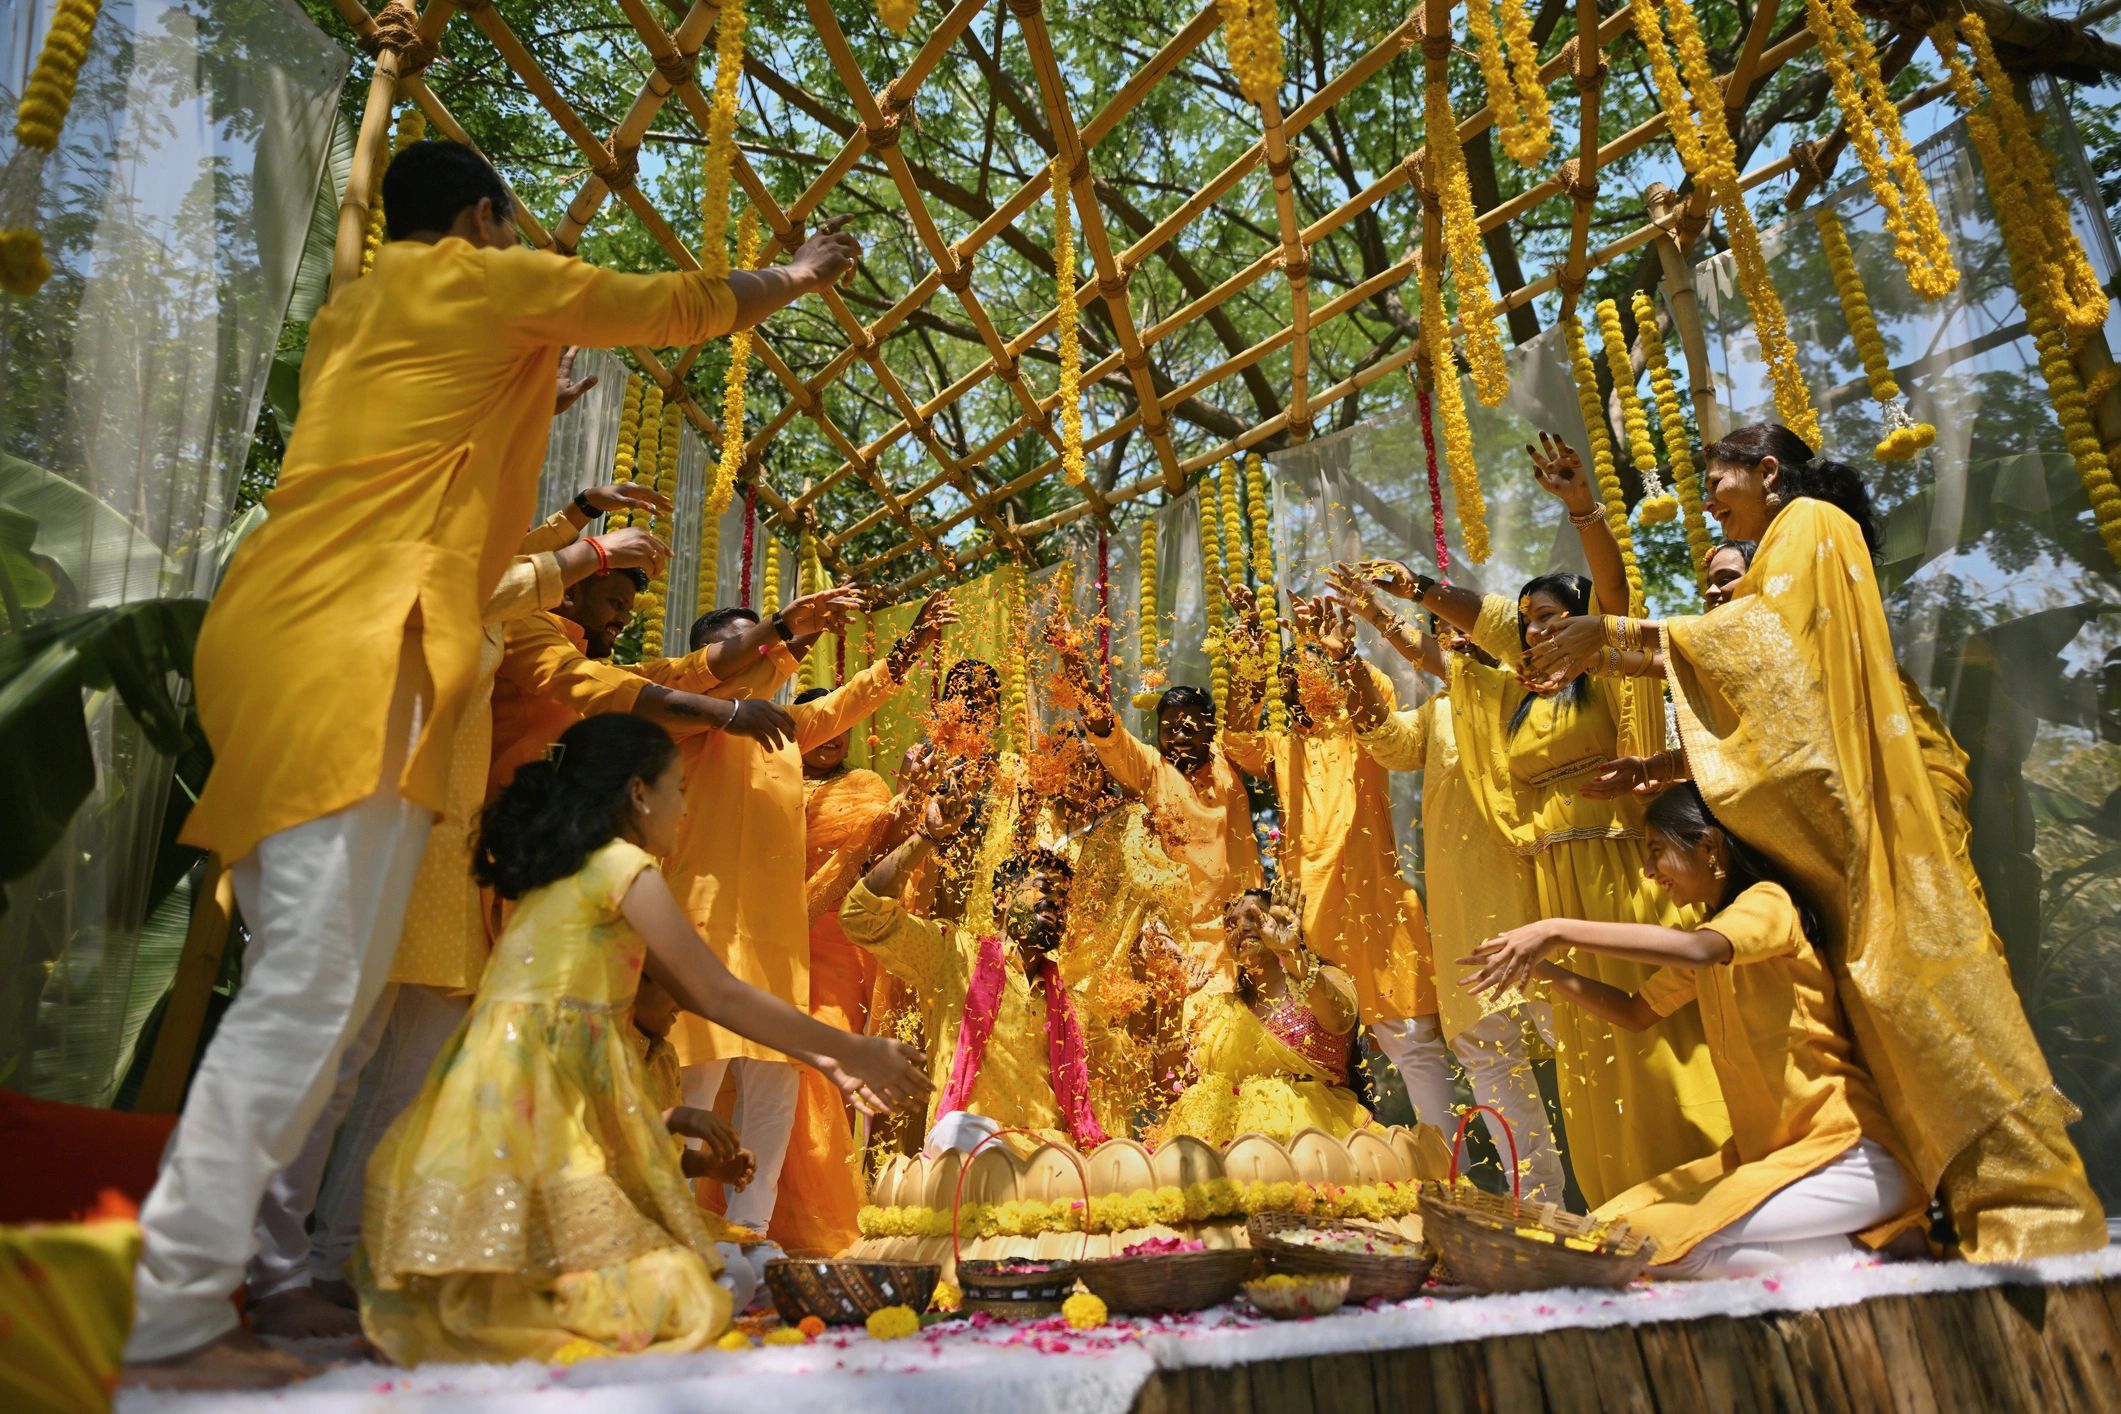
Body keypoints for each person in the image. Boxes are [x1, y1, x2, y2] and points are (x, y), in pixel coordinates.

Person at [130, 132, 863, 1386]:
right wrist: (795, 274)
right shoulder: (481, 279)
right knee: (312, 990)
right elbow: (673, 307)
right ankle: (173, 1314)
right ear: (483, 218)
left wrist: (544, 462)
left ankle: (279, 1274)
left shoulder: (359, 313)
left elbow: (431, 483)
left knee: (338, 1000)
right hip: (359, 650)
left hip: (310, 637)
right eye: (514, 227)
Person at [1525, 422, 2105, 1259]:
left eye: (1714, 482)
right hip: (1851, 840)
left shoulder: (1809, 525)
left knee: (1930, 1009)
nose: (1707, 506)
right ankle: (1947, 1219)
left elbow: (1771, 658)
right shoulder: (1785, 557)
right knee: (1892, 1021)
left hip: (1886, 834)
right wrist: (1657, 765)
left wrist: (1618, 640)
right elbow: (1777, 716)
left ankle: (2037, 1220)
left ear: (1767, 471)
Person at [356, 715, 928, 1364]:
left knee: (684, 1275)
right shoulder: (624, 866)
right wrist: (851, 1050)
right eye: (677, 789)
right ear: (637, 794)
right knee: (691, 1293)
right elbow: (715, 992)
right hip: (538, 1095)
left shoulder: (565, 866)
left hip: (496, 1082)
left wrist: (829, 1058)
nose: (686, 809)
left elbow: (697, 994)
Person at [253, 481, 676, 1340]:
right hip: (366, 825)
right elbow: (470, 588)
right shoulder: (424, 563)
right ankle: (269, 1272)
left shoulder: (505, 586)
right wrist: (589, 547)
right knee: (328, 1064)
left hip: (438, 855)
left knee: (402, 1075)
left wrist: (576, 520)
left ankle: (338, 1263)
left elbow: (497, 575)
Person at [1360, 432, 1731, 1208]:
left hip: (1622, 871)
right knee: (1592, 1060)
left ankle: (1706, 1195)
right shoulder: (1515, 700)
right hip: (1553, 884)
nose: (1533, 630)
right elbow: (1478, 634)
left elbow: (1615, 600)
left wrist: (1582, 509)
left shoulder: (1613, 675)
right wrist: (1414, 591)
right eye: (1526, 621)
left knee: (1653, 1046)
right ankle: (1617, 1211)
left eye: (1551, 617)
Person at [1464, 785, 1926, 1278]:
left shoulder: (1767, 903)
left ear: (1709, 846)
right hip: (1784, 1164)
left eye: (1656, 851)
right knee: (1611, 1228)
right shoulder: (1717, 936)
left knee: (1657, 1249)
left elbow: (1698, 951)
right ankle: (1874, 1246)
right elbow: (1635, 1011)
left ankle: (1873, 1256)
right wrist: (1543, 970)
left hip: (1850, 1156)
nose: (1648, 871)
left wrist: (1556, 930)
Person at [669, 592, 957, 1273]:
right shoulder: (679, 719)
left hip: (777, 945)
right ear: (708, 660)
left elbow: (839, 708)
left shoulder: (780, 736)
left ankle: (750, 1242)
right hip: (701, 938)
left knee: (773, 1093)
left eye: (770, 648)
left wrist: (906, 652)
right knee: (692, 1094)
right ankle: (669, 1235)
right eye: (751, 647)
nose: (767, 658)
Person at [1312, 590, 1570, 1205]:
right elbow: (1387, 742)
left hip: (1545, 903)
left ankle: (1626, 1192)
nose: (1452, 638)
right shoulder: (1438, 712)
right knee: (1487, 1056)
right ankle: (1541, 1209)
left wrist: (1382, 614)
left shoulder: (1533, 692)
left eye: (1461, 627)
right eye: (1442, 629)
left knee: (1581, 1043)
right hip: (1465, 914)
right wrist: (1345, 662)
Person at [1215, 583, 1449, 1130]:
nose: (1303, 681)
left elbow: (1377, 696)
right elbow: (1237, 737)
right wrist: (1247, 654)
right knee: (1324, 1060)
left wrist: (1334, 649)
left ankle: (1451, 1170)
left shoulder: (1362, 729)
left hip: (1377, 913)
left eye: (1314, 670)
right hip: (1305, 926)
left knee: (1415, 1048)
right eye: (1292, 677)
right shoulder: (1280, 745)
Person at [839, 769, 1112, 1151]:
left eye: (1063, 900)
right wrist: (927, 836)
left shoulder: (1070, 1003)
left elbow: (1114, 1077)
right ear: (1002, 899)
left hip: (1050, 1157)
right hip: (971, 1148)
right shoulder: (952, 954)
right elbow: (860, 915)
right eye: (1043, 889)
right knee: (959, 1130)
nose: (1055, 903)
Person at [762, 694, 931, 1257]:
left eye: (843, 727)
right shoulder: (767, 782)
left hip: (837, 945)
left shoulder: (867, 787)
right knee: (764, 1067)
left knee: (817, 1065)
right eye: (823, 726)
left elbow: (890, 850)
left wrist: (911, 800)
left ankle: (823, 1218)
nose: (834, 736)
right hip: (769, 942)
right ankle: (760, 1215)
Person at [487, 572, 858, 796]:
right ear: (570, 593)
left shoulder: (727, 707)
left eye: (628, 609)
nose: (624, 620)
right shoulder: (526, 629)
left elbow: (683, 673)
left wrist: (791, 627)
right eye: (616, 603)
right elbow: (600, 685)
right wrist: (728, 712)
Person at [1048, 611, 1263, 983]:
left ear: (1211, 728)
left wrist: (1247, 660)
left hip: (1244, 934)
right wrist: (1070, 653)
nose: (1179, 736)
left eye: (1190, 726)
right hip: (1179, 944)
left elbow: (1243, 719)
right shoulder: (1150, 768)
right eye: (1169, 728)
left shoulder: (1229, 758)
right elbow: (1103, 723)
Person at [1152, 890, 1373, 1147]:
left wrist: (1291, 952)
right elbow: (1171, 1090)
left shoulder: (1323, 979)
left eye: (1254, 916)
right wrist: (1173, 1000)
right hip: (1229, 1149)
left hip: (1315, 1142)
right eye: (1231, 924)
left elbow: (1341, 1020)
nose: (1242, 927)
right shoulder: (1218, 1009)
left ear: (1281, 922)